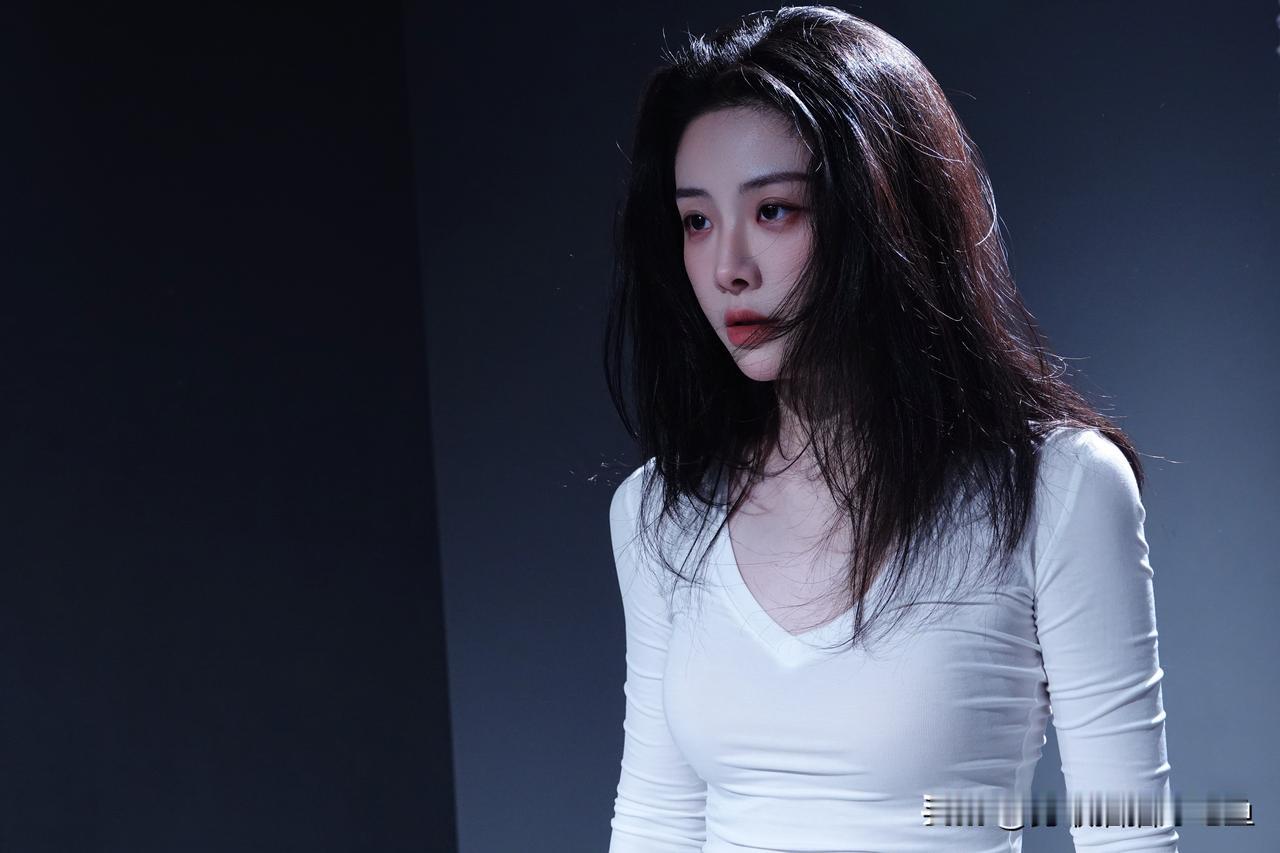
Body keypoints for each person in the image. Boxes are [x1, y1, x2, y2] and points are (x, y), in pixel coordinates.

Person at [601, 6, 1177, 853]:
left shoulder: (1057, 487)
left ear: (883, 212)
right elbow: (656, 822)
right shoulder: (660, 511)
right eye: (697, 220)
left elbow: (1127, 831)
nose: (728, 267)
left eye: (775, 210)